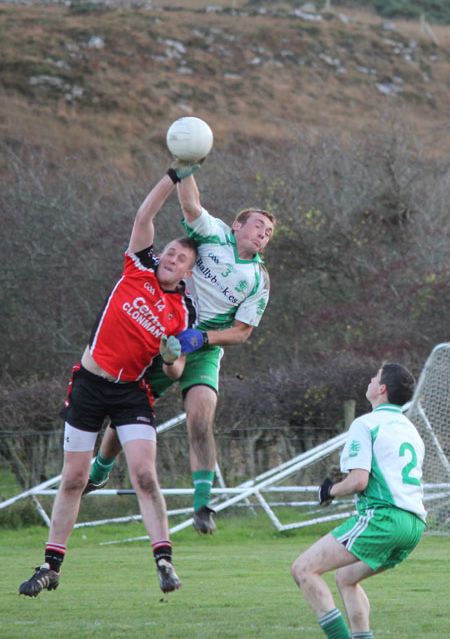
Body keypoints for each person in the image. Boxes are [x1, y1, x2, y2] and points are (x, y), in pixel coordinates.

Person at [19, 173, 199, 598]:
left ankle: (164, 560)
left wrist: (172, 358)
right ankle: (51, 565)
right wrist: (174, 175)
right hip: (88, 384)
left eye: (179, 259)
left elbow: (176, 373)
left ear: (188, 272)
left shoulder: (184, 312)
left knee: (144, 474)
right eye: (170, 252)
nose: (170, 258)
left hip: (130, 392)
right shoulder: (138, 265)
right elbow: (145, 214)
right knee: (73, 479)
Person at [83, 158, 276, 535]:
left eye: (269, 231)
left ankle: (203, 505)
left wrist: (204, 338)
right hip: (165, 332)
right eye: (258, 225)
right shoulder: (213, 233)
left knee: (201, 418)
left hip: (203, 347)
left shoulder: (258, 280)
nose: (263, 233)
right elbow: (190, 205)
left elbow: (241, 331)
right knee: (125, 413)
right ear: (238, 225)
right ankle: (100, 470)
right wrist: (186, 165)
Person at [291, 362, 426, 639]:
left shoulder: (366, 423)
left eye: (375, 376)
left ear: (382, 388)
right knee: (346, 578)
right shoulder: (411, 430)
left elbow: (358, 481)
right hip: (413, 525)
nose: (370, 378)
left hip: (383, 519)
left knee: (303, 569)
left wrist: (329, 491)